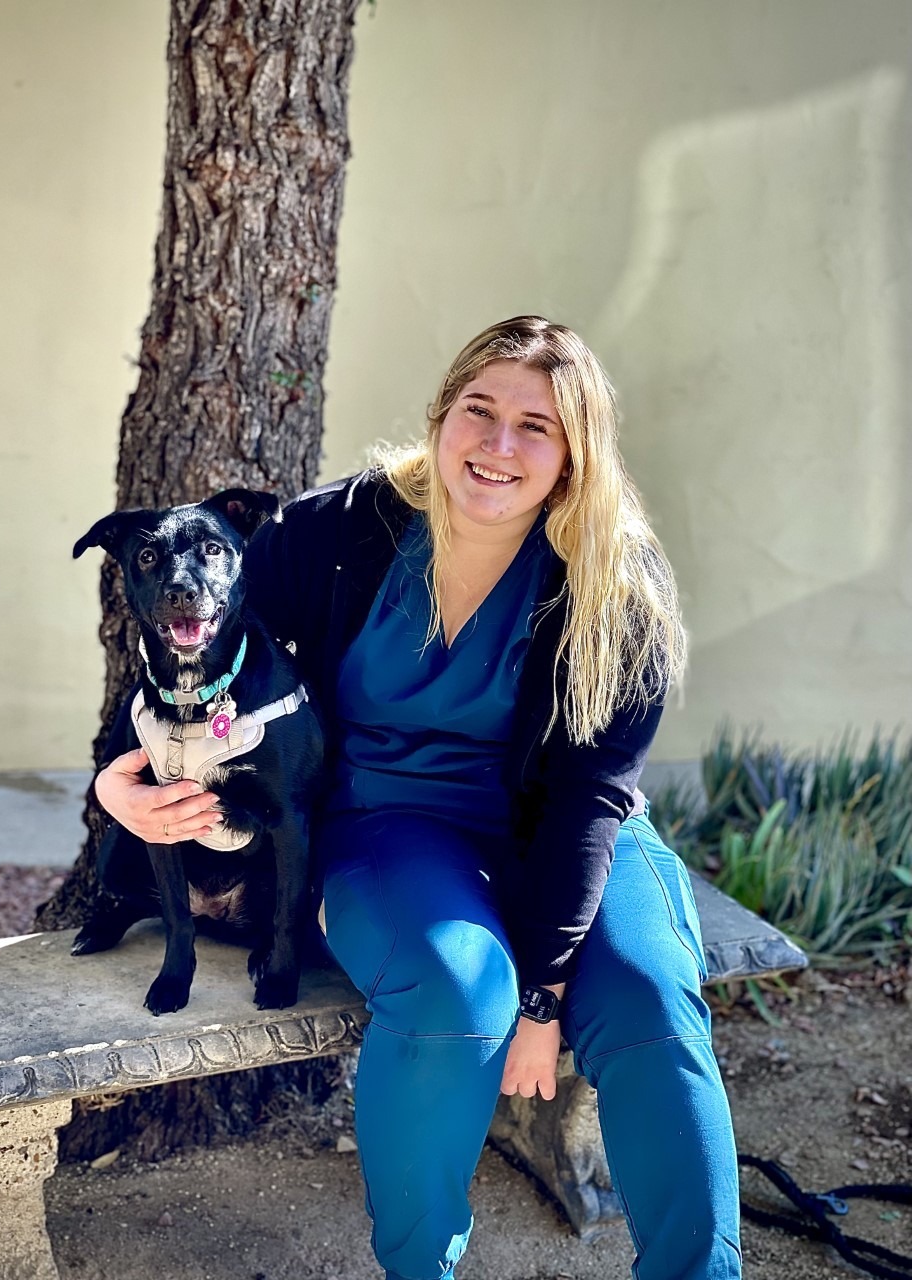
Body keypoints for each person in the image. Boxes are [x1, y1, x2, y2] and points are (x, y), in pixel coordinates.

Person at [96, 316, 742, 1280]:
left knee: (650, 997)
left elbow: (587, 801)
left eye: (537, 426)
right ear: (441, 417)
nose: (498, 443)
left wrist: (544, 998)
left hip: (575, 836)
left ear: (575, 454)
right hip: (389, 830)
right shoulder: (340, 528)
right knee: (452, 993)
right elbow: (196, 648)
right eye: (479, 410)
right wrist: (123, 778)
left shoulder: (619, 579)